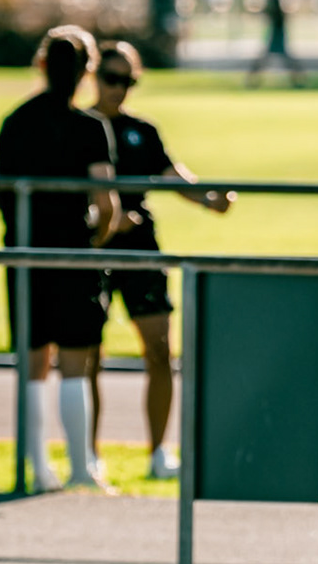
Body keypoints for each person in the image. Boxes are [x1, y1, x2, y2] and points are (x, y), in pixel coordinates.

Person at [86, 41, 235, 479]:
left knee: (158, 350)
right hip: (92, 246)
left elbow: (174, 177)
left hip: (140, 248)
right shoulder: (80, 127)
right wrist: (105, 219)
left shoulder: (141, 130)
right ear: (94, 76)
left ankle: (157, 454)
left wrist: (211, 200)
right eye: (112, 79)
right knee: (90, 353)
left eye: (128, 82)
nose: (120, 89)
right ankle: (89, 455)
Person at [0, 25, 125, 493]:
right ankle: (81, 468)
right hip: (73, 252)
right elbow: (107, 204)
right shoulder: (90, 128)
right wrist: (97, 239)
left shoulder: (15, 121)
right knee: (74, 364)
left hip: (25, 251)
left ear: (42, 65)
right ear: (87, 71)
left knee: (32, 364)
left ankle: (35, 470)